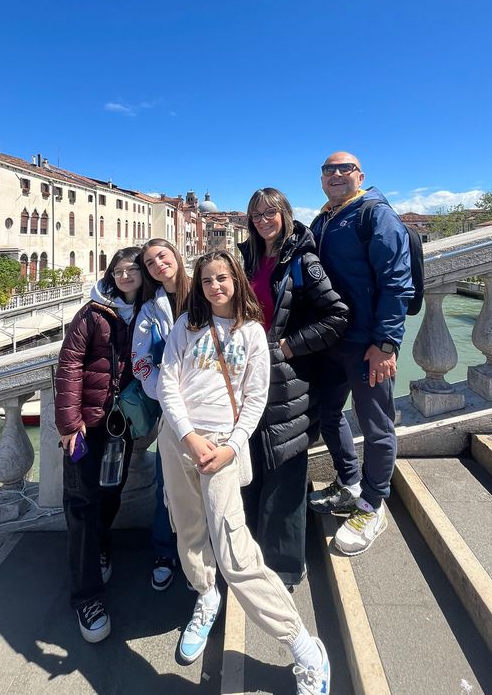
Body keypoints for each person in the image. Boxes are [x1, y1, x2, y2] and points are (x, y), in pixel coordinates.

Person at [156, 250, 331, 695]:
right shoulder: (185, 326)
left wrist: (230, 447)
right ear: (199, 286)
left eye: (223, 278)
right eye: (208, 280)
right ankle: (205, 595)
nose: (215, 286)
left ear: (236, 281)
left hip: (222, 447)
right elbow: (166, 385)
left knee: (236, 551)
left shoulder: (252, 332)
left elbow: (255, 399)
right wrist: (188, 437)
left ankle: (303, 645)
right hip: (179, 440)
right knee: (188, 529)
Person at [240, 187, 348, 588]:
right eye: (256, 215)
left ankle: (283, 567)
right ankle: (252, 556)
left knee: (285, 468)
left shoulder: (303, 259)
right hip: (249, 378)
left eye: (271, 213)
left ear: (285, 214)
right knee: (252, 465)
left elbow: (337, 316)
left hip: (289, 378)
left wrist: (288, 345)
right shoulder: (247, 258)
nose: (263, 220)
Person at [307, 152, 413, 556]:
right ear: (321, 179)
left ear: (360, 175)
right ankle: (350, 482)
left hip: (367, 343)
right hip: (331, 341)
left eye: (344, 168)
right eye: (328, 169)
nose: (335, 174)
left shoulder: (376, 215)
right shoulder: (324, 219)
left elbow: (396, 283)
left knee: (376, 425)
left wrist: (385, 343)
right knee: (327, 415)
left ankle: (372, 504)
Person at [55, 246, 143, 642]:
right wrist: (68, 422)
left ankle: (102, 546)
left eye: (133, 270)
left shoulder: (151, 312)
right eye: (120, 270)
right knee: (81, 503)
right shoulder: (93, 313)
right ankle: (86, 596)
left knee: (111, 494)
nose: (126, 276)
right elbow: (69, 364)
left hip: (120, 424)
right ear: (111, 274)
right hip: (85, 427)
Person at [132, 238, 190, 591]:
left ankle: (203, 555)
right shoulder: (149, 309)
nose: (157, 265)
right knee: (165, 487)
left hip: (210, 405)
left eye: (162, 257)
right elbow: (141, 362)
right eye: (150, 263)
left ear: (176, 256)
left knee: (208, 485)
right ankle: (164, 552)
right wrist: (165, 394)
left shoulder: (205, 289)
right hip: (170, 408)